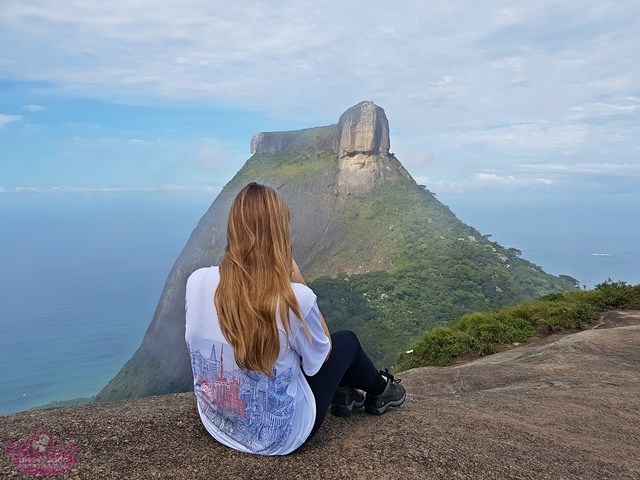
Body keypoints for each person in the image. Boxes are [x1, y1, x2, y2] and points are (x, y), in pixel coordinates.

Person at [185, 182, 405, 456]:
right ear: (280, 233)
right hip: (282, 436)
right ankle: (381, 389)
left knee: (287, 348)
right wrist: (299, 282)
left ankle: (345, 392)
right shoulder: (294, 297)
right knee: (345, 341)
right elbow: (322, 356)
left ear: (233, 229)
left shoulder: (197, 281)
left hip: (217, 422)